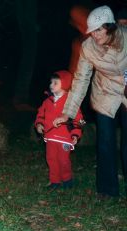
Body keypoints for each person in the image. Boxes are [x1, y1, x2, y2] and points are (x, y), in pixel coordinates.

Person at [53, 6, 127, 198]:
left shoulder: (125, 38)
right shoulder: (88, 47)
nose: (94, 35)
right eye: (92, 31)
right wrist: (68, 111)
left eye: (99, 30)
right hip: (104, 93)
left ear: (110, 26)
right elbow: (81, 80)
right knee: (105, 141)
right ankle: (107, 190)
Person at [35, 70, 83, 189]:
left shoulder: (70, 102)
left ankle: (67, 179)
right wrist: (39, 124)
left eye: (55, 83)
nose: (51, 85)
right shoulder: (47, 101)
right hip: (50, 137)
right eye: (51, 82)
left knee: (63, 160)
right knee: (51, 159)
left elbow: (78, 119)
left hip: (64, 138)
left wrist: (75, 134)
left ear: (65, 84)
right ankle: (54, 181)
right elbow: (40, 114)